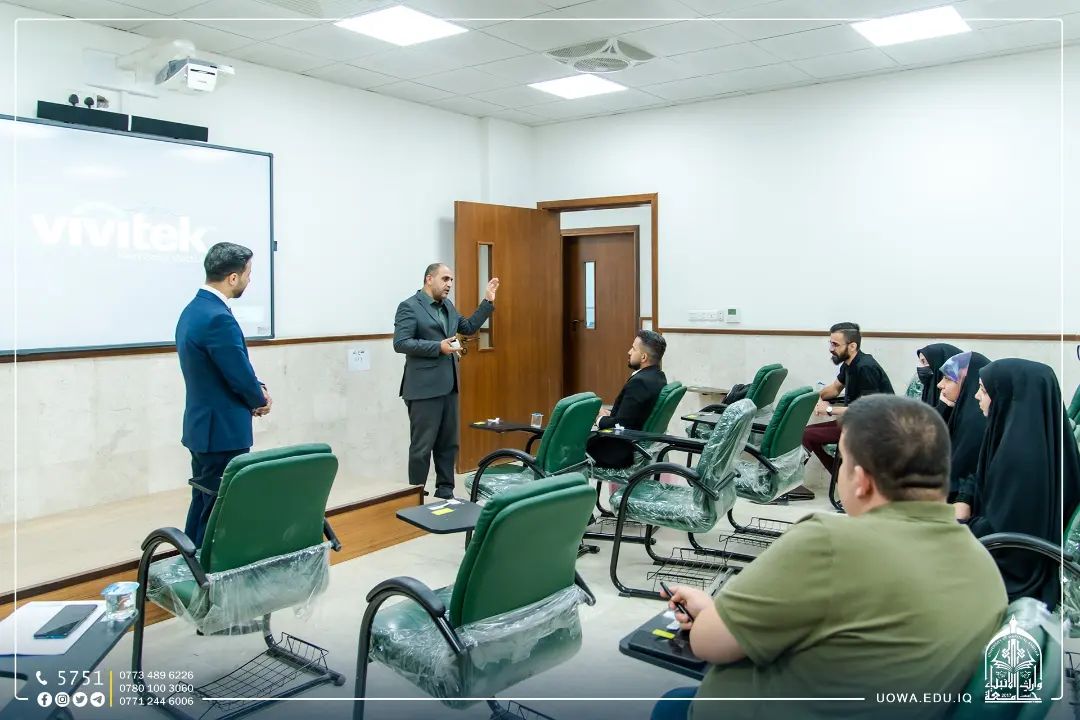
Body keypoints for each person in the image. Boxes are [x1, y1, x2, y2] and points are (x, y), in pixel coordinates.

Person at [653, 395, 1007, 720]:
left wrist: (710, 613)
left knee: (669, 704)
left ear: (861, 480)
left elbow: (709, 643)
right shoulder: (982, 563)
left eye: (843, 461)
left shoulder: (829, 542)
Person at [963, 358, 1080, 605]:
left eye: (983, 389)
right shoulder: (1036, 436)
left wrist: (960, 525)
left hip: (1018, 569)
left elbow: (1005, 536)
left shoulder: (1020, 456)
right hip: (1019, 550)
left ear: (1009, 397)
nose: (976, 396)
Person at [176, 242, 270, 547]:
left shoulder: (193, 309)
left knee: (204, 502)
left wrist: (255, 389)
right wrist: (260, 398)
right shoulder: (218, 317)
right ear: (232, 277)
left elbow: (221, 368)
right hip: (223, 432)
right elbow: (237, 372)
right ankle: (209, 569)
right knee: (220, 511)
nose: (249, 280)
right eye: (248, 273)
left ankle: (190, 560)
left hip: (203, 427)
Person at [394, 262, 498, 499]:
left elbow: (468, 327)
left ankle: (445, 492)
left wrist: (487, 301)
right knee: (422, 448)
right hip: (422, 389)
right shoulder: (409, 306)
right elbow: (400, 343)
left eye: (451, 280)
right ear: (429, 279)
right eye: (445, 279)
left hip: (449, 386)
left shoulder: (448, 306)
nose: (449, 284)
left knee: (448, 444)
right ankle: (416, 496)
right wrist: (437, 347)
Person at [802, 322, 894, 471]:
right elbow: (834, 389)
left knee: (807, 435)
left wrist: (829, 409)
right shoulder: (849, 363)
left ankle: (841, 476)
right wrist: (814, 398)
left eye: (835, 345)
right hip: (855, 422)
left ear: (852, 346)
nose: (831, 349)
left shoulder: (865, 367)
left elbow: (868, 410)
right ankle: (840, 476)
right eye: (830, 343)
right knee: (806, 434)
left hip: (873, 427)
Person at [586, 330, 668, 468]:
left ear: (643, 357)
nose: (629, 352)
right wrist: (610, 415)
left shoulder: (640, 382)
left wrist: (599, 418)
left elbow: (622, 425)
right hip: (633, 441)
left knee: (569, 448)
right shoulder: (658, 376)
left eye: (633, 349)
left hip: (618, 451)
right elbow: (632, 415)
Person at [936, 351, 990, 507]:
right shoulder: (961, 411)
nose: (940, 384)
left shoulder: (976, 422)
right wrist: (943, 407)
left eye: (948, 379)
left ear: (969, 382)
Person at [915, 342, 962, 413]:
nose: (921, 367)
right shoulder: (921, 385)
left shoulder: (956, 393)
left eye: (924, 361)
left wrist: (943, 406)